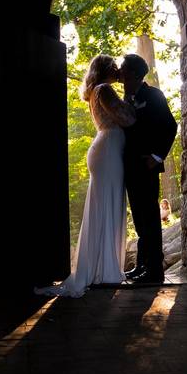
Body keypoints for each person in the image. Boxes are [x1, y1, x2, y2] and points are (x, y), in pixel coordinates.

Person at [35, 54, 136, 298]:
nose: (118, 71)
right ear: (106, 70)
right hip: (109, 150)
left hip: (106, 149)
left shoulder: (97, 91)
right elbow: (128, 119)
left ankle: (103, 268)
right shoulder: (104, 90)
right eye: (114, 67)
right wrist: (131, 100)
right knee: (108, 205)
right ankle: (105, 270)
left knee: (105, 205)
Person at [120, 53, 178, 284]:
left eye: (123, 68)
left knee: (150, 218)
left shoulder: (153, 95)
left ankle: (155, 270)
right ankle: (141, 265)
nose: (119, 71)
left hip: (147, 165)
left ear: (133, 73)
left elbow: (170, 126)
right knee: (139, 219)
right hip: (131, 167)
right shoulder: (128, 97)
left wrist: (157, 156)